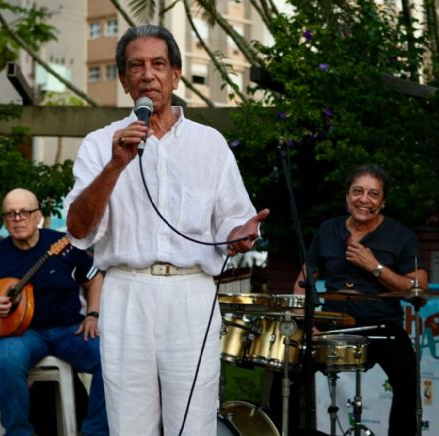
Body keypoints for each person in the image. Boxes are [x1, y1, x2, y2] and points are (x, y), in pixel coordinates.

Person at [64, 24, 269, 435]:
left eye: (158, 64)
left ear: (176, 75)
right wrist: (114, 165)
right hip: (126, 291)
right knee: (129, 424)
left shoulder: (209, 143)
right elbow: (78, 231)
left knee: (193, 423)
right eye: (136, 65)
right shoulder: (99, 143)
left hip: (191, 294)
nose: (147, 74)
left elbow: (233, 220)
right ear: (123, 80)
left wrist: (239, 234)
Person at [287, 163, 427, 436]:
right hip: (332, 323)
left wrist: (374, 266)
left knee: (408, 382)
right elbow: (303, 282)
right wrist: (307, 324)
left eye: (373, 194)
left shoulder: (401, 236)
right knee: (289, 373)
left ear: (383, 202)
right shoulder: (328, 230)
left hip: (381, 326)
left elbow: (418, 290)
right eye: (358, 191)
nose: (364, 199)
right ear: (347, 196)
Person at [0, 188, 109, 436]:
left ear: (38, 215)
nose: (18, 219)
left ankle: (95, 431)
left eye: (24, 212)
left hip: (69, 329)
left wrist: (92, 314)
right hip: (20, 334)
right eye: (10, 214)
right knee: (8, 361)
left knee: (110, 358)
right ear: (4, 220)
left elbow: (94, 280)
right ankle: (19, 432)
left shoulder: (63, 246)